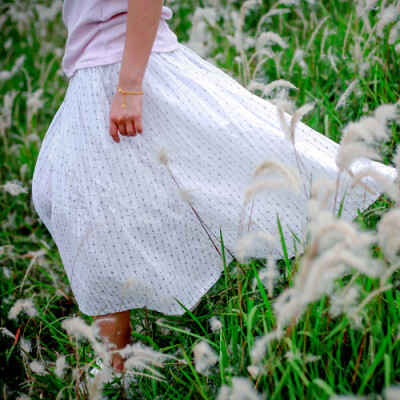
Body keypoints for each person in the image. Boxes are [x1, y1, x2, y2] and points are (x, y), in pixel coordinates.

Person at [31, 0, 397, 373]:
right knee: (89, 210)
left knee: (248, 151)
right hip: (97, 72)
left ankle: (112, 367)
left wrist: (129, 86)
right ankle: (115, 362)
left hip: (122, 69)